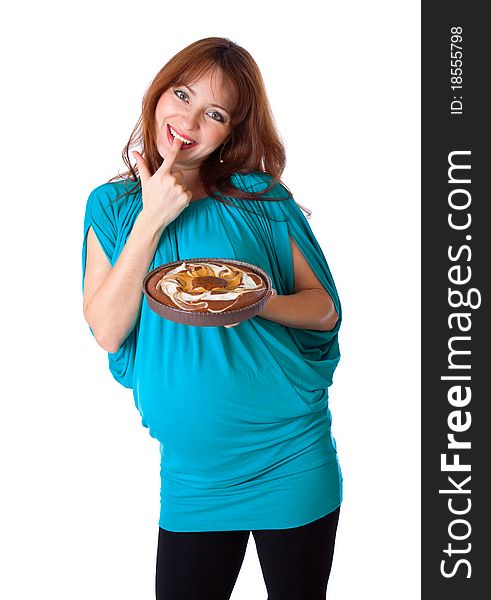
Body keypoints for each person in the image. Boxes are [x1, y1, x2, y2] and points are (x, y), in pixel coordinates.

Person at [82, 37, 343, 600]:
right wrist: (152, 218)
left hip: (290, 455)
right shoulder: (112, 206)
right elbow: (107, 329)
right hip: (193, 479)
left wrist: (256, 304)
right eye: (181, 94)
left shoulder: (259, 199)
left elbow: (322, 310)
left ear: (231, 131)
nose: (189, 119)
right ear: (158, 95)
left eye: (215, 113)